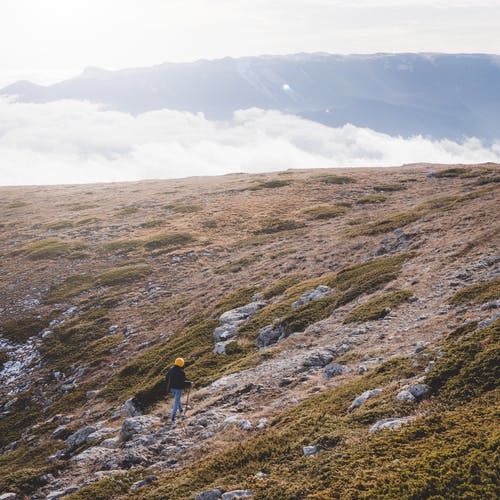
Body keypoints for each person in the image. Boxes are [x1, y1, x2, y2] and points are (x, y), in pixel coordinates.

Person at [166, 357, 191, 425]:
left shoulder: (170, 370)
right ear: (181, 364)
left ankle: (181, 410)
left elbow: (167, 378)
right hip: (178, 389)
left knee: (177, 399)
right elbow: (182, 382)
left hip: (172, 388)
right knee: (176, 402)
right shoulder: (181, 372)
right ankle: (173, 417)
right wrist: (189, 383)